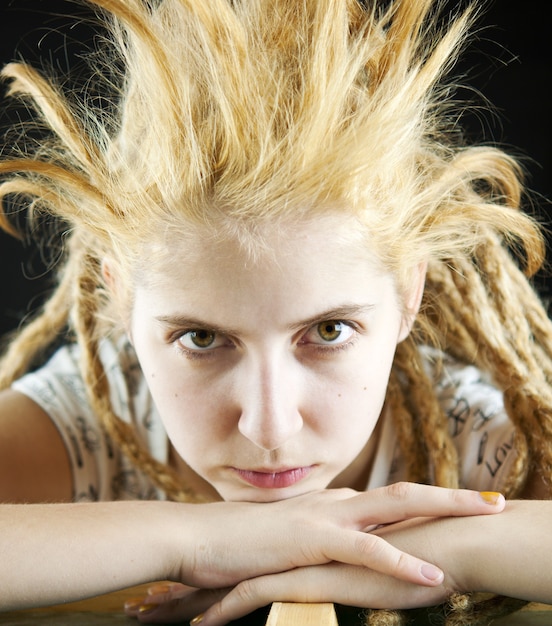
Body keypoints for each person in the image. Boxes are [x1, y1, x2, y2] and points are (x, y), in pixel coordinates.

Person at [0, 0, 551, 624]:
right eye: (202, 338)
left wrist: (437, 544)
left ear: (408, 296)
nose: (269, 428)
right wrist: (195, 540)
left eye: (328, 330)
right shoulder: (90, 426)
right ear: (122, 300)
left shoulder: (474, 440)